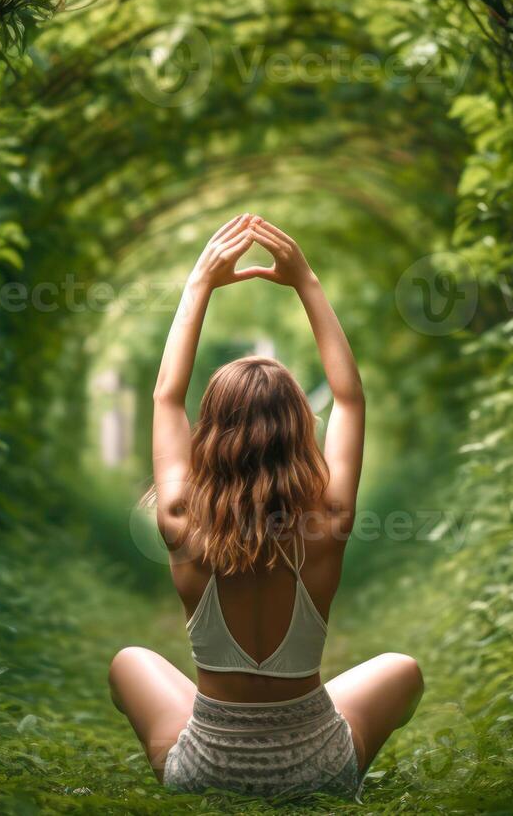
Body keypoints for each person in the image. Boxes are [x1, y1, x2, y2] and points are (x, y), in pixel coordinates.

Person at [109, 213, 424, 800]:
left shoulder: (179, 519)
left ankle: (199, 776)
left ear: (213, 432)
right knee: (402, 668)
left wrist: (199, 282)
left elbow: (166, 395)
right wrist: (307, 280)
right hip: (321, 770)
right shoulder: (327, 522)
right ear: (300, 430)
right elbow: (351, 397)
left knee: (129, 660)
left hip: (202, 772)